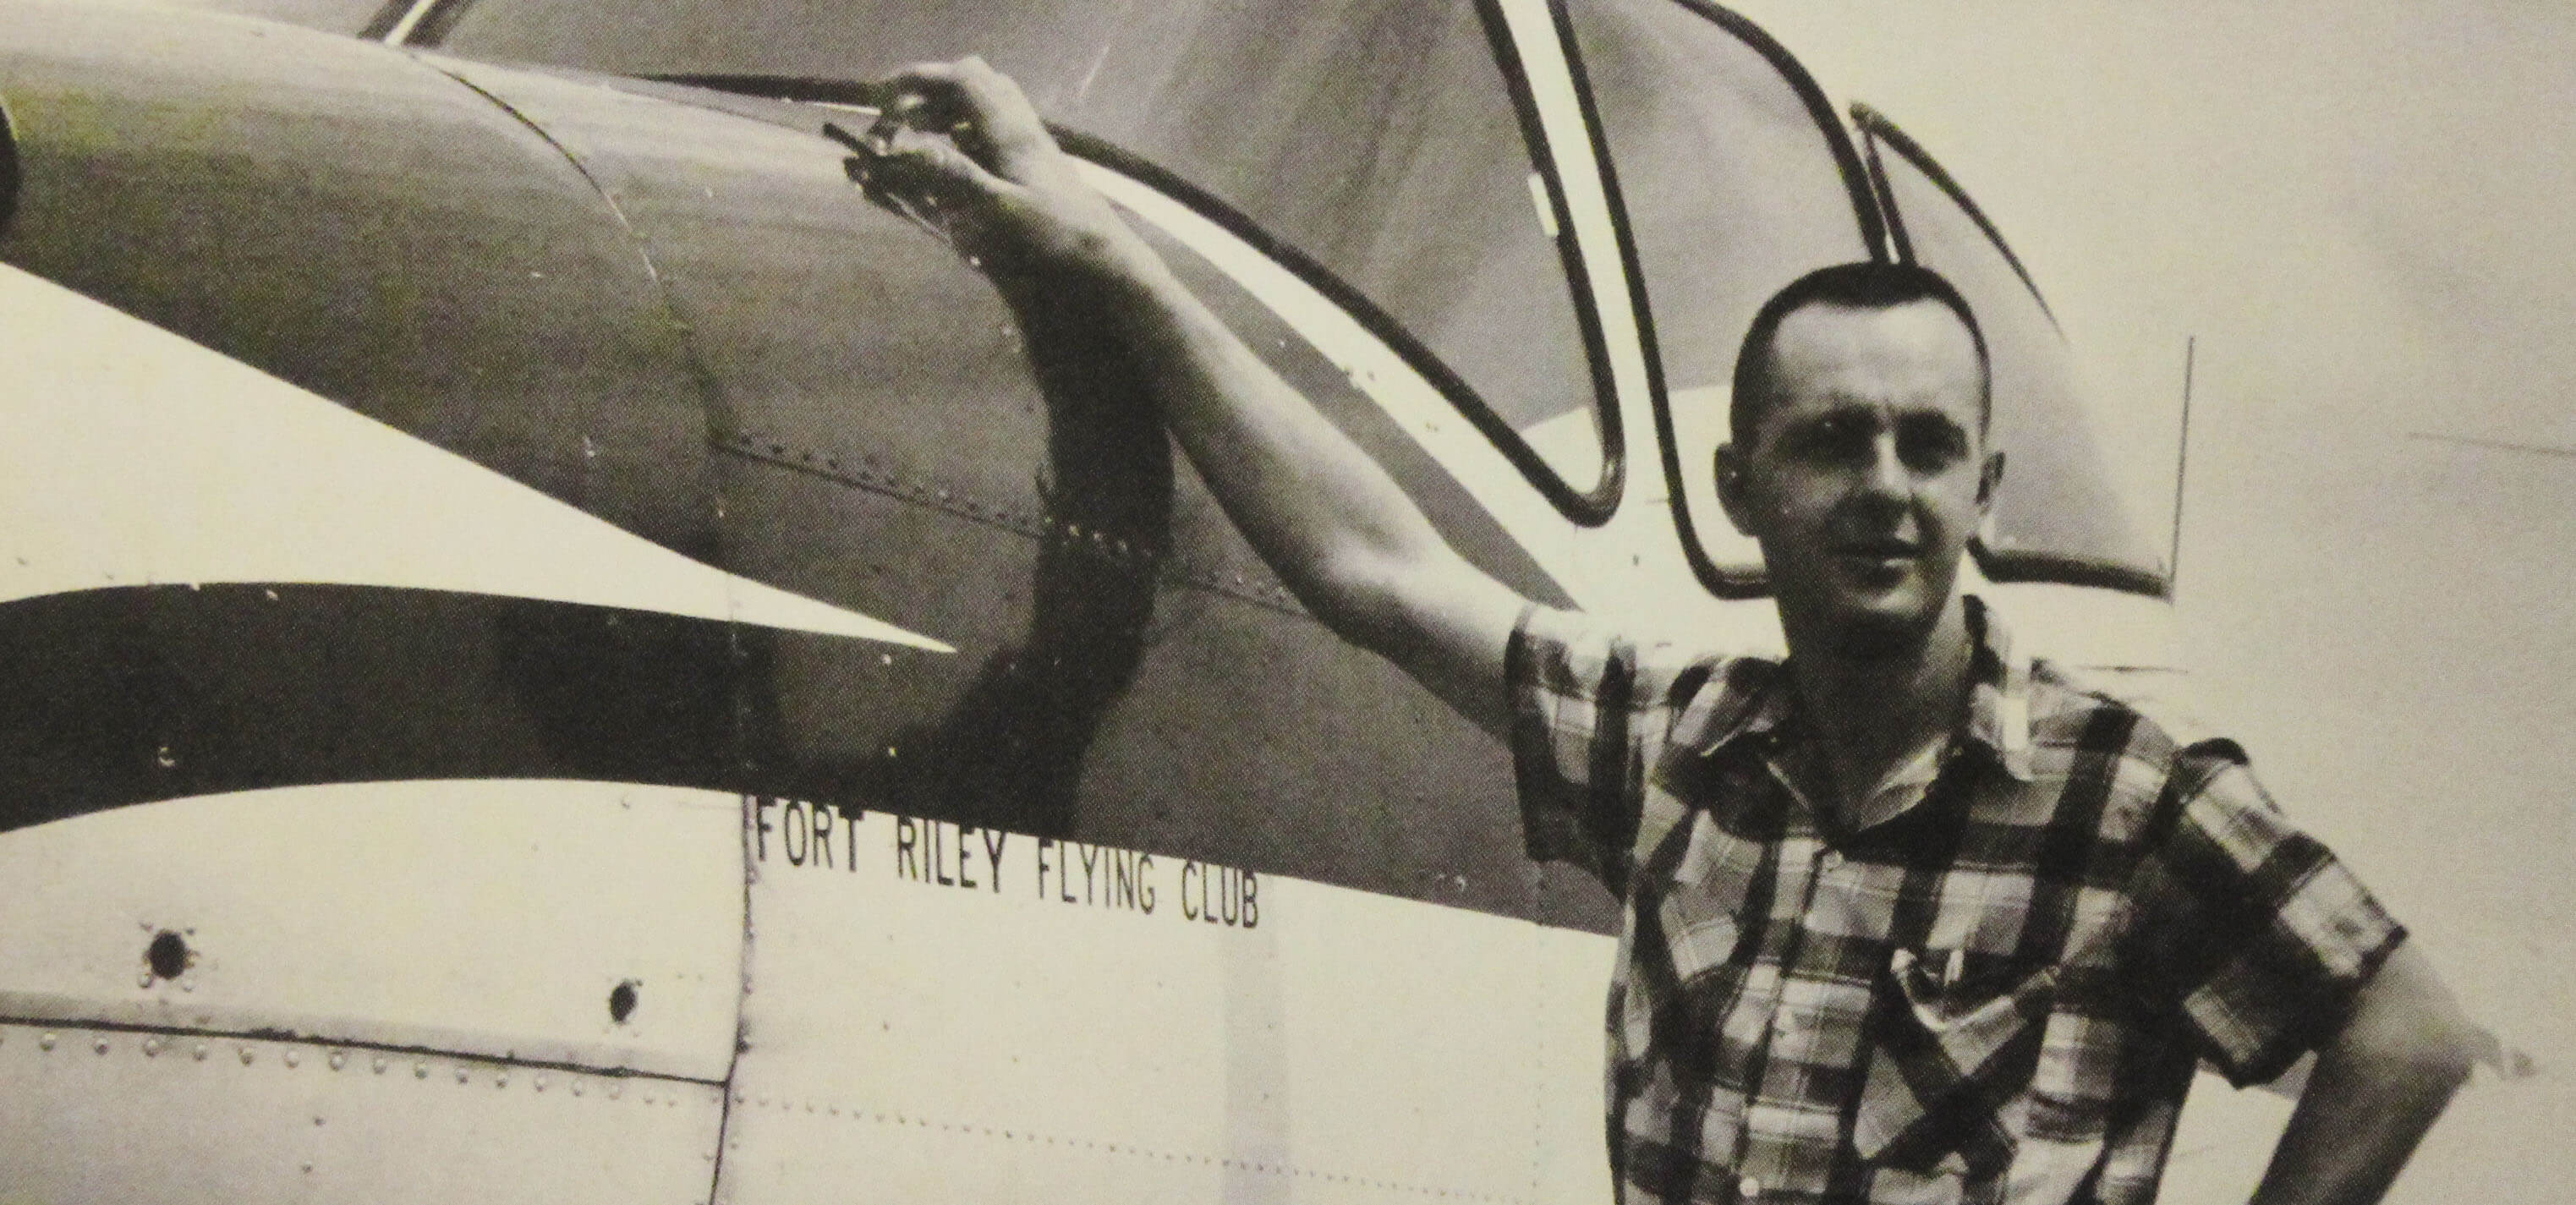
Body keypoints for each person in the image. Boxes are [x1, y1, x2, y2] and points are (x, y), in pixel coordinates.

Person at [835, 58, 2493, 1205]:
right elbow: (1370, 561)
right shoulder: (1685, 736)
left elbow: (2401, 1024)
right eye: (1831, 441)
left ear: (1982, 488)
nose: (1883, 487)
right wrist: (1096, 248)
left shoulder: (2121, 794)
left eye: (1926, 447)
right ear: (1744, 479)